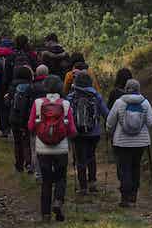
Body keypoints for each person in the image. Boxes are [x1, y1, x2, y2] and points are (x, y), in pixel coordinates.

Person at [28, 75, 78, 223]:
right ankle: (58, 201)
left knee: (46, 181)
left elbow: (30, 126)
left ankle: (45, 214)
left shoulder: (38, 103)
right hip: (61, 149)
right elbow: (72, 130)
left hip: (42, 149)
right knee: (61, 178)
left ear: (45, 87)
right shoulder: (66, 104)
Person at [106, 79, 152, 208]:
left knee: (124, 168)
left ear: (126, 89)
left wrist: (109, 131)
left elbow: (110, 122)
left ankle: (125, 197)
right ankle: (133, 194)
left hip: (122, 142)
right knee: (135, 166)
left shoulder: (119, 102)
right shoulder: (145, 103)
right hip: (140, 142)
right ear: (138, 89)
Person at [66, 71, 109, 195]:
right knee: (91, 157)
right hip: (94, 132)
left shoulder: (71, 97)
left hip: (77, 133)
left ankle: (83, 187)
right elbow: (106, 113)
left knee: (80, 160)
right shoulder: (96, 96)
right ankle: (92, 184)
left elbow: (66, 115)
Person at [6, 65, 34, 174]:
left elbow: (8, 102)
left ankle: (19, 165)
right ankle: (29, 162)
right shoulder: (31, 87)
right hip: (27, 117)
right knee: (27, 140)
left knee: (17, 142)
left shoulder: (12, 86)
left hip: (14, 117)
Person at [30, 64, 51, 180]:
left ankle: (38, 173)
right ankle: (49, 171)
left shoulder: (32, 87)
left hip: (37, 121)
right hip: (51, 121)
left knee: (35, 148)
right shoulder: (52, 87)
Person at [0, 38, 16, 137]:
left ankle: (4, 129)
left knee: (1, 107)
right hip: (11, 85)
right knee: (11, 105)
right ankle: (11, 127)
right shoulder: (13, 56)